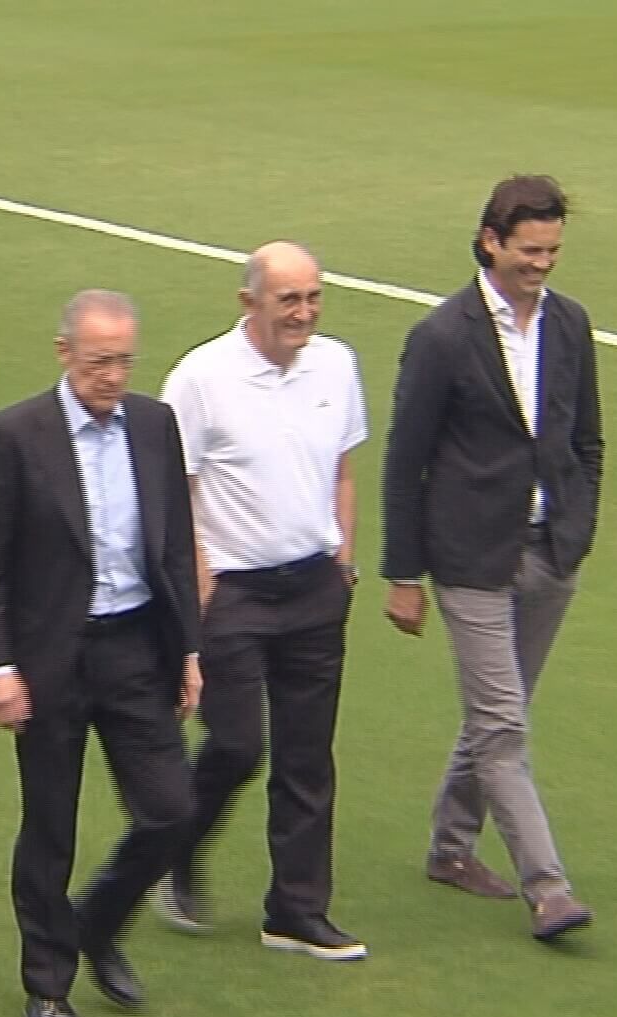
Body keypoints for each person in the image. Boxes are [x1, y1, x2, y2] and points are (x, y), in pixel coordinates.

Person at [0, 289, 202, 1017]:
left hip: (135, 646)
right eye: (100, 361)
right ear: (64, 353)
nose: (113, 376)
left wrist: (188, 650)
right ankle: (48, 987)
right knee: (50, 828)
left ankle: (95, 924)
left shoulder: (155, 426)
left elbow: (174, 544)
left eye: (125, 360)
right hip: (50, 659)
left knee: (172, 809)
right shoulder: (13, 436)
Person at [380, 174, 604, 941]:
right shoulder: (443, 337)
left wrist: (579, 526)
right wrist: (403, 575)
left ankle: (450, 847)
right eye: (530, 250)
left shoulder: (570, 326)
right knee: (503, 724)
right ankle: (549, 889)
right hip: (472, 558)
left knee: (497, 715)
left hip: (550, 554)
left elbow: (587, 440)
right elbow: (403, 460)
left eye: (552, 250)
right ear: (490, 241)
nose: (542, 264)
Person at [153, 241, 369, 961]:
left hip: (313, 584)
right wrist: (201, 587)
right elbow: (172, 492)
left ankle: (296, 911)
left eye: (313, 298)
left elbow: (343, 466)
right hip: (233, 594)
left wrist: (343, 558)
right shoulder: (201, 378)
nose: (303, 313)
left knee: (309, 756)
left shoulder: (336, 364)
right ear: (250, 303)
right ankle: (175, 842)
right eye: (289, 301)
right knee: (240, 743)